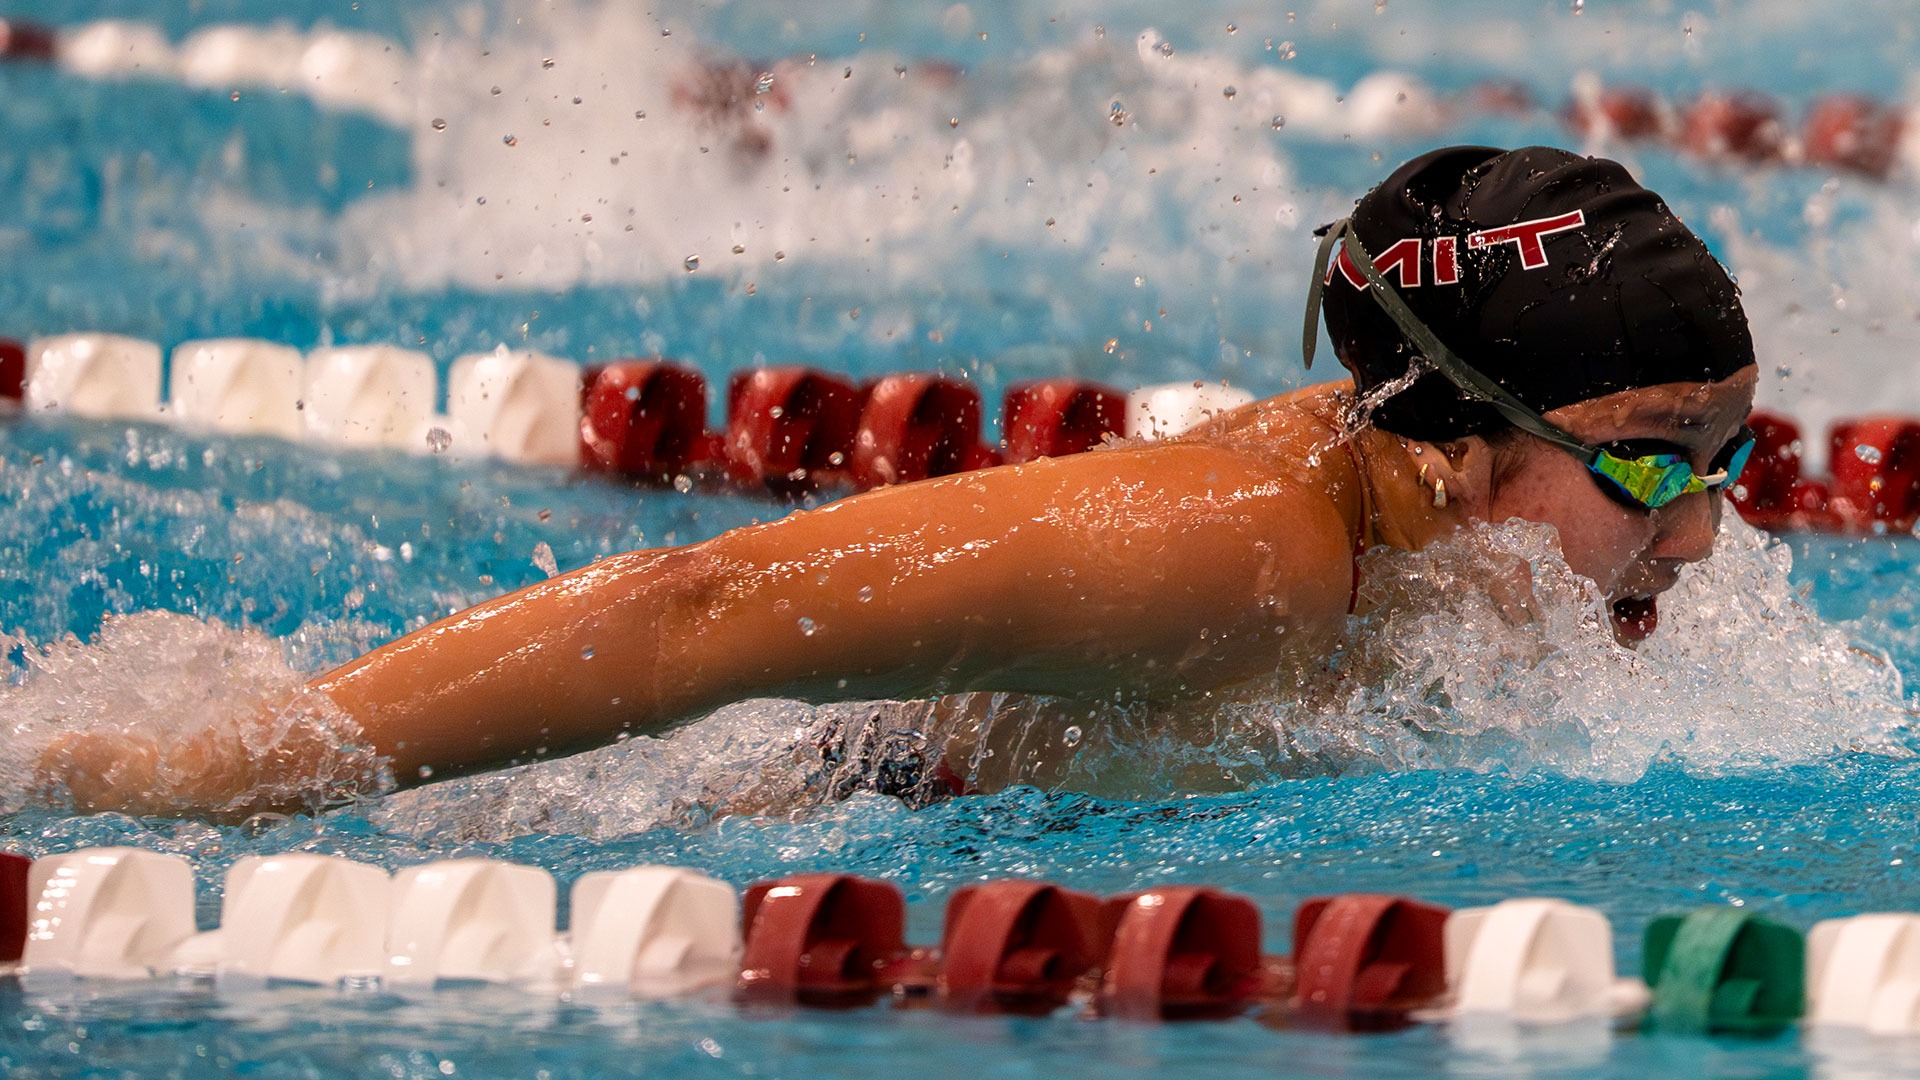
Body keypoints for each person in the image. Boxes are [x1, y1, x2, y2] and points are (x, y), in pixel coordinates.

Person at [45, 145, 1758, 818]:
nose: (1696, 532)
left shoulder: (1415, 516)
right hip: (751, 815)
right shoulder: (1240, 553)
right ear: (1453, 449)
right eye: (1644, 464)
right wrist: (213, 768)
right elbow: (705, 598)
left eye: (1724, 462)